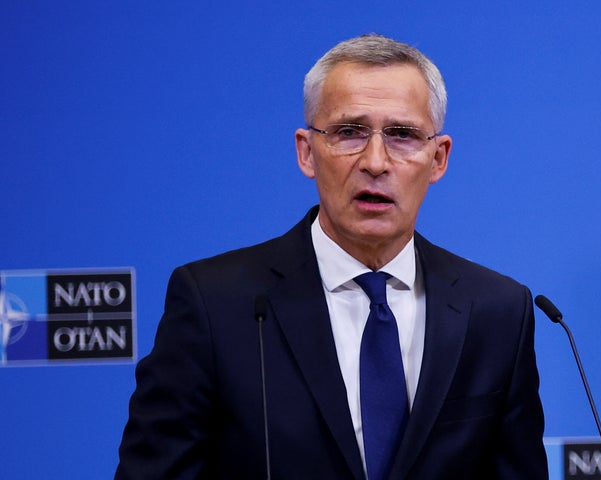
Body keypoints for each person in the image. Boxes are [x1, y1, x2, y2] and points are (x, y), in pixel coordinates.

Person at [115, 33, 548, 479]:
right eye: (349, 132)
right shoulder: (214, 304)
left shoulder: (497, 311)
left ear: (438, 159)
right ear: (307, 151)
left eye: (402, 135)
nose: (376, 161)